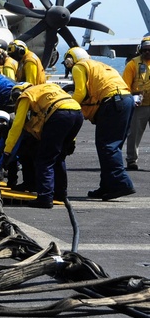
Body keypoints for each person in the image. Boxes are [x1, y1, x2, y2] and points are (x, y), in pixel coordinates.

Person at [63, 46, 135, 200]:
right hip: (126, 100)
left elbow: (80, 93)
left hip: (113, 102)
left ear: (70, 60)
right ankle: (107, 186)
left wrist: (66, 105)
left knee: (107, 146)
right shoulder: (99, 66)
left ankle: (122, 183)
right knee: (113, 147)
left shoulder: (78, 66)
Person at [2, 82, 84, 208]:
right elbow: (66, 107)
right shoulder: (47, 88)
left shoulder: (26, 95)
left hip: (59, 114)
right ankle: (60, 194)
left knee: (44, 159)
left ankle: (45, 198)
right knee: (59, 157)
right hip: (77, 112)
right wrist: (72, 140)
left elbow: (17, 125)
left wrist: (8, 150)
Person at [123, 36, 150, 170]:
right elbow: (125, 85)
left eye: (149, 50)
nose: (147, 52)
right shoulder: (133, 64)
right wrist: (132, 97)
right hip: (139, 106)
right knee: (133, 134)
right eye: (144, 50)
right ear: (140, 50)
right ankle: (131, 160)